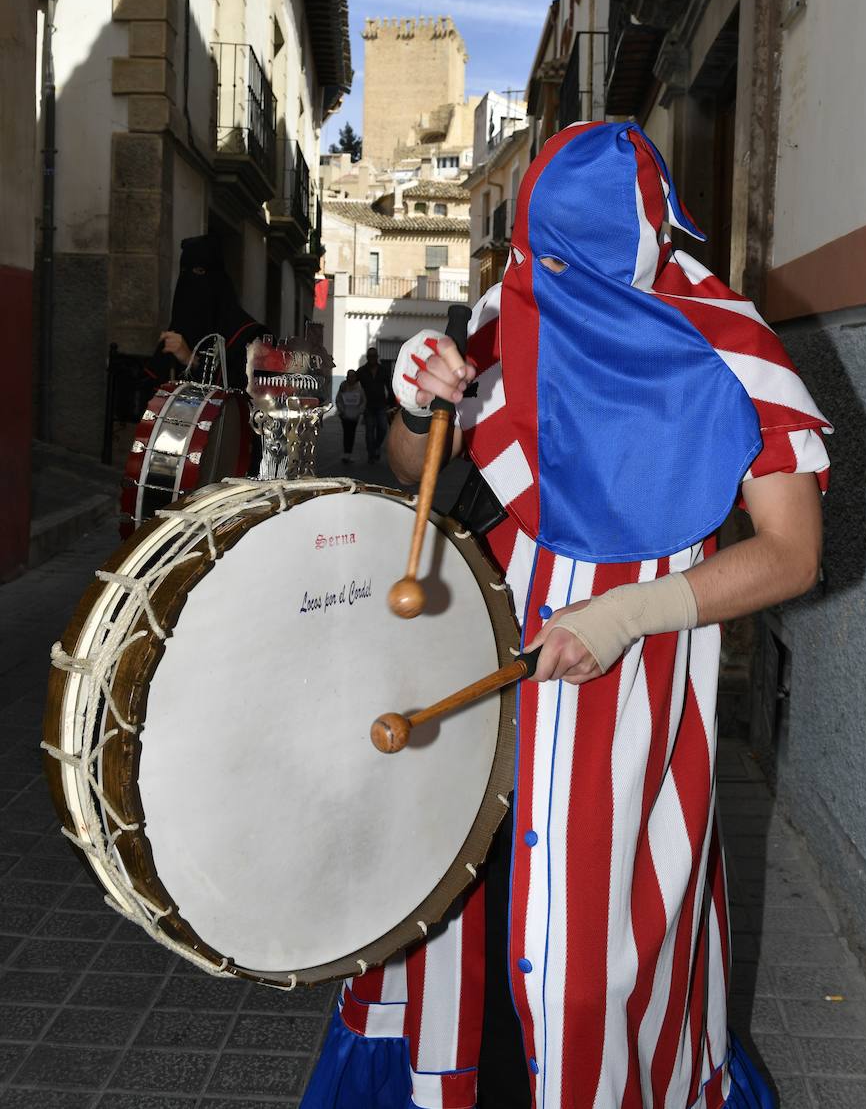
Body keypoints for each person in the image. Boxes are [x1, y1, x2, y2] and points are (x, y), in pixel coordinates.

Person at [303, 122, 831, 1109]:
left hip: (631, 701)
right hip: (481, 689)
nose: (543, 284)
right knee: (462, 943)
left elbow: (792, 551)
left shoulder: (729, 347)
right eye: (533, 258)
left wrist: (630, 613)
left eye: (566, 263)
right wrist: (417, 407)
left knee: (594, 970)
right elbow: (418, 472)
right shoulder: (512, 310)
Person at [156, 233, 264, 392]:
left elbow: (243, 393)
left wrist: (191, 360)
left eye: (199, 271)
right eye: (184, 271)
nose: (190, 281)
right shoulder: (180, 325)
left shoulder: (247, 335)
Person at [356, 346, 396, 463]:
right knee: (369, 431)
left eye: (374, 356)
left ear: (377, 357)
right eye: (370, 356)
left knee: (383, 429)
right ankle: (371, 454)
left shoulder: (383, 370)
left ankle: (376, 446)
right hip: (367, 405)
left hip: (381, 405)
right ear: (367, 357)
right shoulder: (361, 371)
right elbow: (352, 382)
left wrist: (391, 403)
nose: (372, 358)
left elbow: (389, 386)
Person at [335, 369, 367, 462]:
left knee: (352, 433)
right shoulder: (343, 386)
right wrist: (341, 410)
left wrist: (359, 411)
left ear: (355, 377)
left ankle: (349, 453)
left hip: (355, 415)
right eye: (349, 376)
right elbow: (338, 399)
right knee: (346, 433)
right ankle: (346, 453)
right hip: (345, 414)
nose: (351, 378)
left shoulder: (360, 387)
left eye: (353, 376)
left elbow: (363, 400)